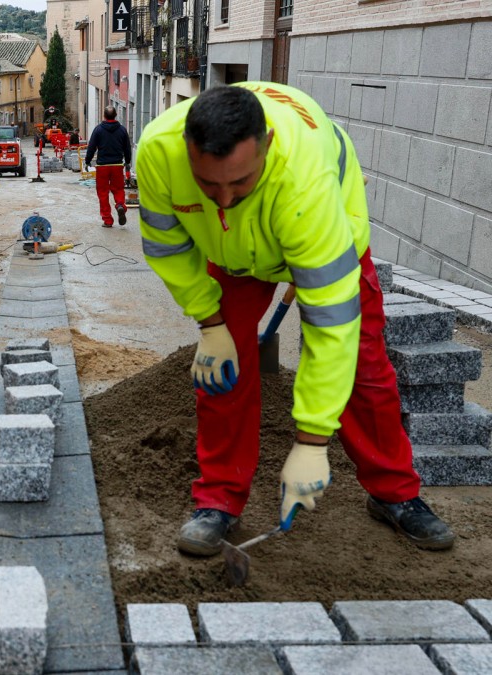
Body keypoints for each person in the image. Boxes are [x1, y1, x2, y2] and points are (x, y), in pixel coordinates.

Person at [136, 83, 455, 557]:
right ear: (187, 149)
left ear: (265, 145)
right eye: (208, 185)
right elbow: (168, 248)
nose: (223, 200)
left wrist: (311, 440)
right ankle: (219, 499)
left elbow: (332, 329)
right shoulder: (158, 153)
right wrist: (210, 323)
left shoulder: (307, 185)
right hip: (230, 254)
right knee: (220, 370)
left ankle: (394, 493)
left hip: (320, 233)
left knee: (364, 367)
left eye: (240, 183)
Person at [85, 107, 132, 228]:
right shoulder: (122, 130)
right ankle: (120, 205)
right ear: (116, 115)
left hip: (102, 166)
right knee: (118, 189)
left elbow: (91, 147)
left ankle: (108, 220)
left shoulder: (98, 130)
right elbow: (127, 148)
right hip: (117, 166)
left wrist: (87, 161)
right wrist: (127, 162)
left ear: (104, 116)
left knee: (103, 193)